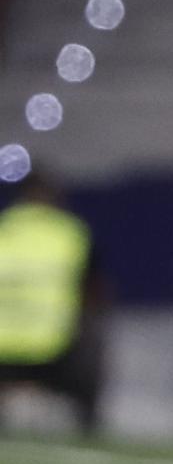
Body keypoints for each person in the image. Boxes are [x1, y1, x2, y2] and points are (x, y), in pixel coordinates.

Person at [0, 169, 105, 431]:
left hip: (4, 345)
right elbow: (93, 290)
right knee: (92, 358)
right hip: (54, 347)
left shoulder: (4, 229)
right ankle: (90, 430)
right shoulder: (69, 232)